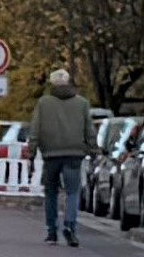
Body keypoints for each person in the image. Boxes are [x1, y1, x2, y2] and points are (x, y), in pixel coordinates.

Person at [26, 66, 96, 246]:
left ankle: (52, 230)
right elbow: (89, 130)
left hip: (51, 154)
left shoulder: (43, 103)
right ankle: (70, 226)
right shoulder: (82, 103)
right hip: (74, 154)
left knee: (51, 192)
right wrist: (93, 149)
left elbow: (35, 129)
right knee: (73, 191)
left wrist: (32, 152)